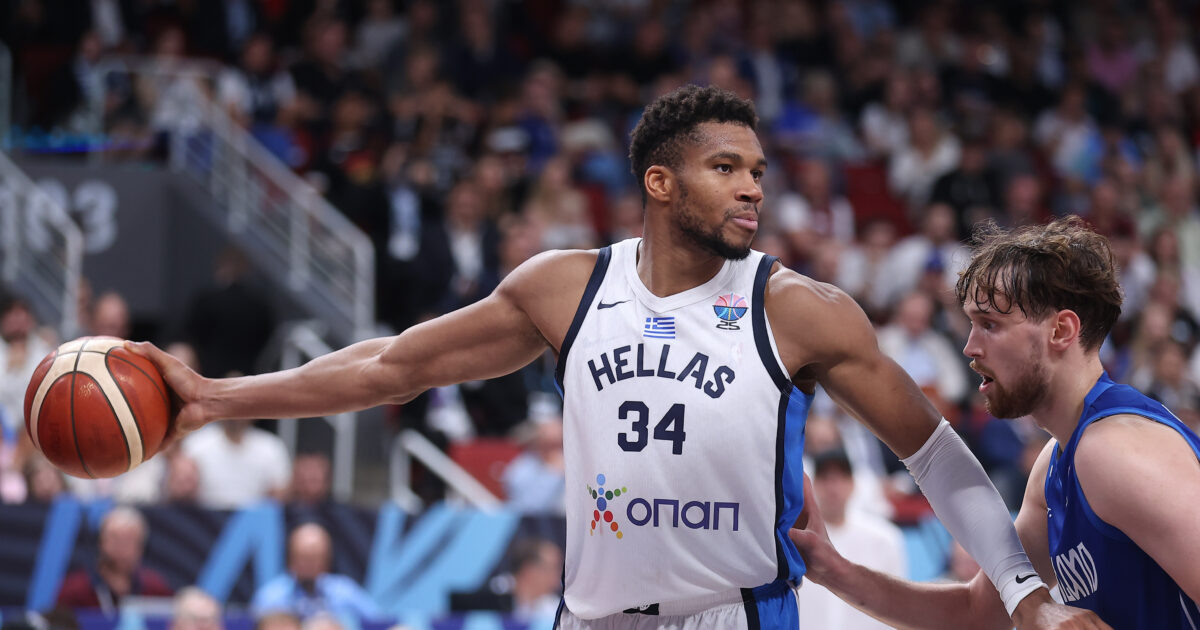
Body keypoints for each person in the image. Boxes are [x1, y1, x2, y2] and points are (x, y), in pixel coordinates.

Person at [131, 85, 1094, 629]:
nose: (753, 189)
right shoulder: (566, 288)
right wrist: (213, 397)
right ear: (660, 182)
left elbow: (934, 452)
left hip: (733, 613)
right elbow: (394, 367)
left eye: (759, 171)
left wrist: (1021, 592)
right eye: (727, 168)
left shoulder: (799, 309)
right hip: (589, 617)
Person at [790, 217, 1200, 629]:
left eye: (990, 324)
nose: (970, 347)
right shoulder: (1056, 463)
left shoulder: (1116, 452)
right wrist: (834, 571)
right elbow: (979, 612)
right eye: (971, 325)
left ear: (1061, 330)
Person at [795, 450, 906, 630]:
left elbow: (897, 604)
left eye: (841, 478)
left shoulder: (885, 538)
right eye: (825, 479)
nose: (833, 488)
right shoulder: (797, 539)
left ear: (853, 484)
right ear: (814, 484)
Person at [251, 523, 380, 620]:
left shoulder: (345, 592)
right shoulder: (271, 597)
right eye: (304, 557)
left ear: (327, 560)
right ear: (290, 560)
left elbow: (379, 622)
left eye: (316, 558)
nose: (310, 565)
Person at [56, 506, 173, 612]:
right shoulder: (74, 590)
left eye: (128, 540)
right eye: (114, 538)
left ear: (141, 547)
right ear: (100, 542)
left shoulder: (156, 590)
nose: (120, 547)